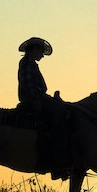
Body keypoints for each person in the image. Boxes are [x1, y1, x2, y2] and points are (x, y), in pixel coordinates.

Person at [17, 37, 71, 178]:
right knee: (59, 112)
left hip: (36, 97)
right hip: (33, 98)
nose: (42, 55)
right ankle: (60, 161)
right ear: (34, 49)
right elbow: (29, 85)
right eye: (41, 52)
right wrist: (38, 100)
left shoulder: (30, 63)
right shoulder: (27, 63)